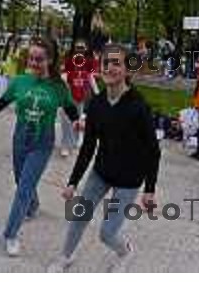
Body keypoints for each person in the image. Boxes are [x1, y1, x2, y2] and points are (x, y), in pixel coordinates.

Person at [48, 43, 160, 272]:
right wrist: (73, 182)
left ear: (128, 70)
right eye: (106, 63)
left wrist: (150, 189)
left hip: (129, 179)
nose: (109, 67)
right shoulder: (97, 104)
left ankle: (125, 251)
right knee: (79, 216)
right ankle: (65, 256)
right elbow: (88, 147)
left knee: (107, 233)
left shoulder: (138, 106)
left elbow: (153, 150)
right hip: (102, 172)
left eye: (116, 63)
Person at [0, 36, 80, 257]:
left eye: (39, 59)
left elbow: (70, 108)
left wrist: (78, 121)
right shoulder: (19, 81)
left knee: (22, 189)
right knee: (21, 181)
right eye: (31, 58)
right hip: (20, 139)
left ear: (50, 60)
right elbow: (1, 103)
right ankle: (33, 206)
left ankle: (10, 234)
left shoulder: (58, 86)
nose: (33, 63)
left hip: (42, 143)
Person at [59, 38, 99, 157]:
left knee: (78, 120)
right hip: (68, 96)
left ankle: (75, 140)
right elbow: (63, 75)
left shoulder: (88, 62)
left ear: (85, 49)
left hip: (81, 96)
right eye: (78, 48)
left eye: (82, 48)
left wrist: (97, 93)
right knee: (66, 121)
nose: (80, 50)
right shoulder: (69, 60)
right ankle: (65, 145)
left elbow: (91, 76)